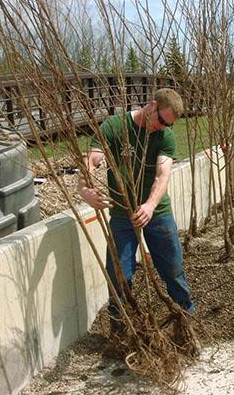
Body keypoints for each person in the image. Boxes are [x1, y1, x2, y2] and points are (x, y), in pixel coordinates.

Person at [78, 88, 195, 333]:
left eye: (168, 124)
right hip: (122, 213)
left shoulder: (165, 136)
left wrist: (150, 205)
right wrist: (85, 190)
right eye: (161, 120)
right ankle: (121, 332)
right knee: (120, 274)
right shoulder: (115, 127)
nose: (163, 127)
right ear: (152, 106)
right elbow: (92, 161)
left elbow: (162, 175)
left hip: (157, 212)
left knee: (173, 269)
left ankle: (186, 322)